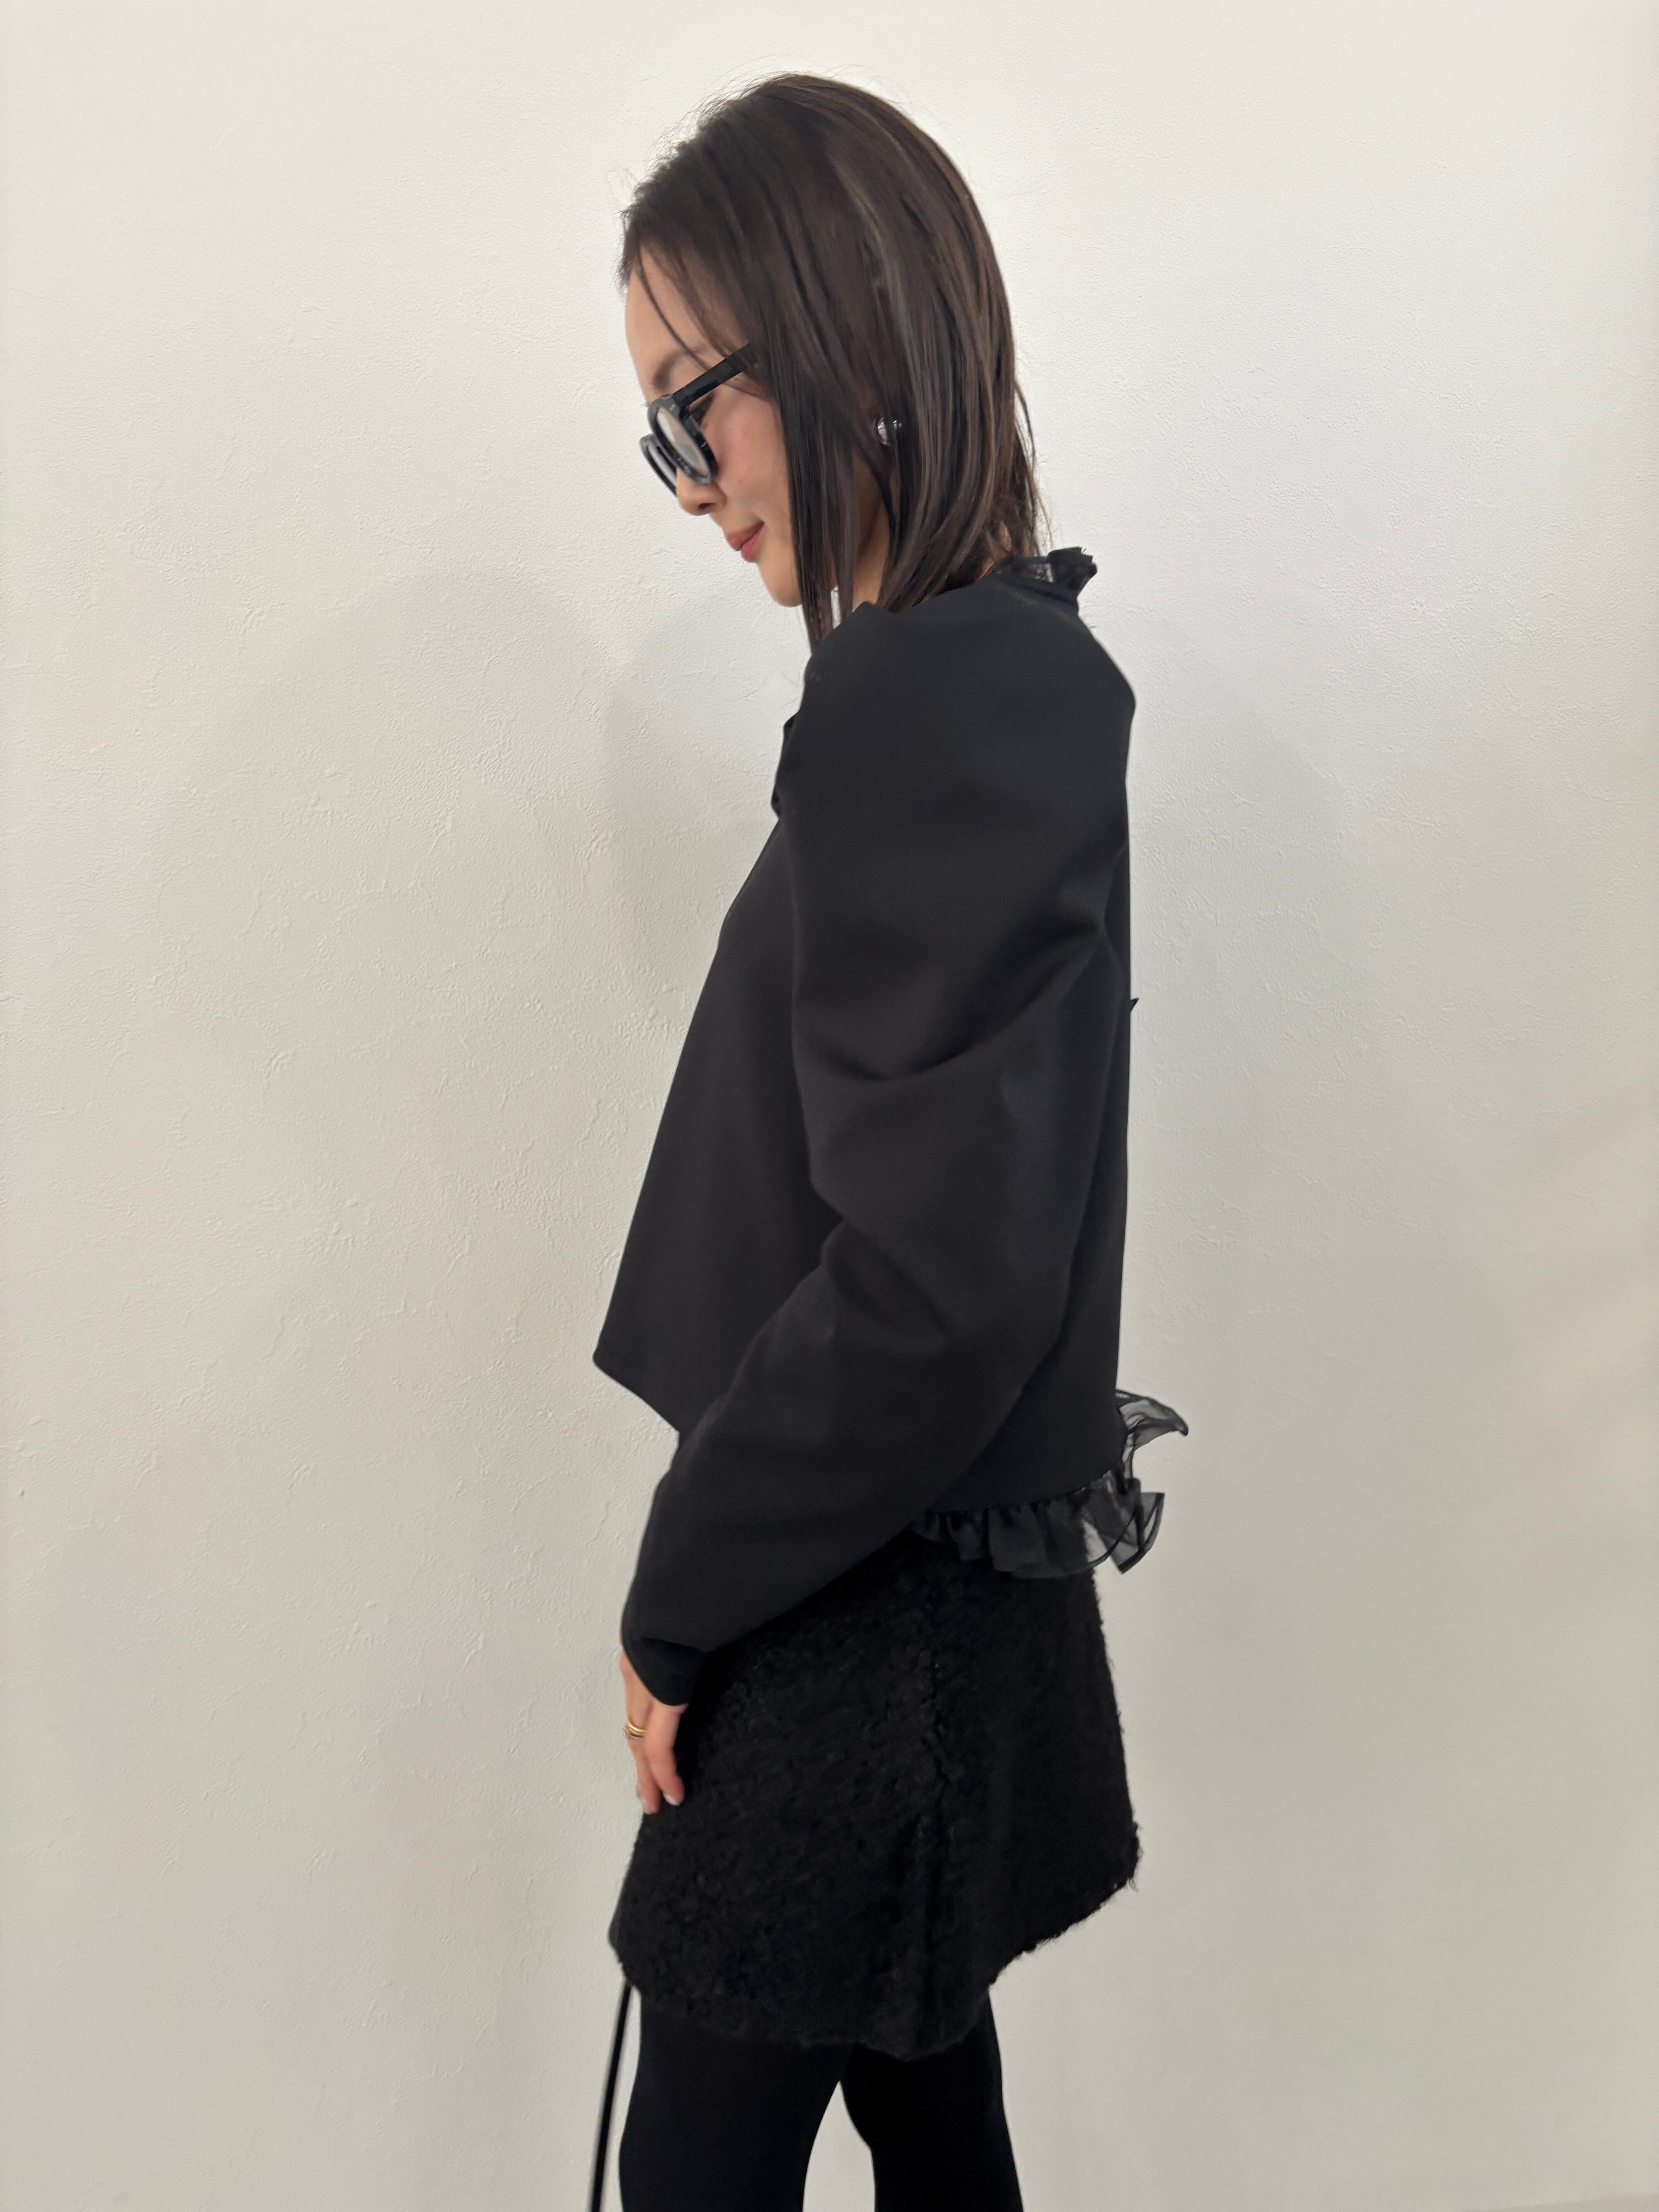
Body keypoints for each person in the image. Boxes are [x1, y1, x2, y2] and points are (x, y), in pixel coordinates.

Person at [589, 72, 1187, 2212]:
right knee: (935, 2128)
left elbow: (935, 1286)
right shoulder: (986, 676)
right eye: (657, 435)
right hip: (897, 1594)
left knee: (709, 2167)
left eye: (697, 407)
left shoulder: (934, 695)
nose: (688, 484)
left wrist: (678, 1594)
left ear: (847, 332)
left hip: (855, 1620)